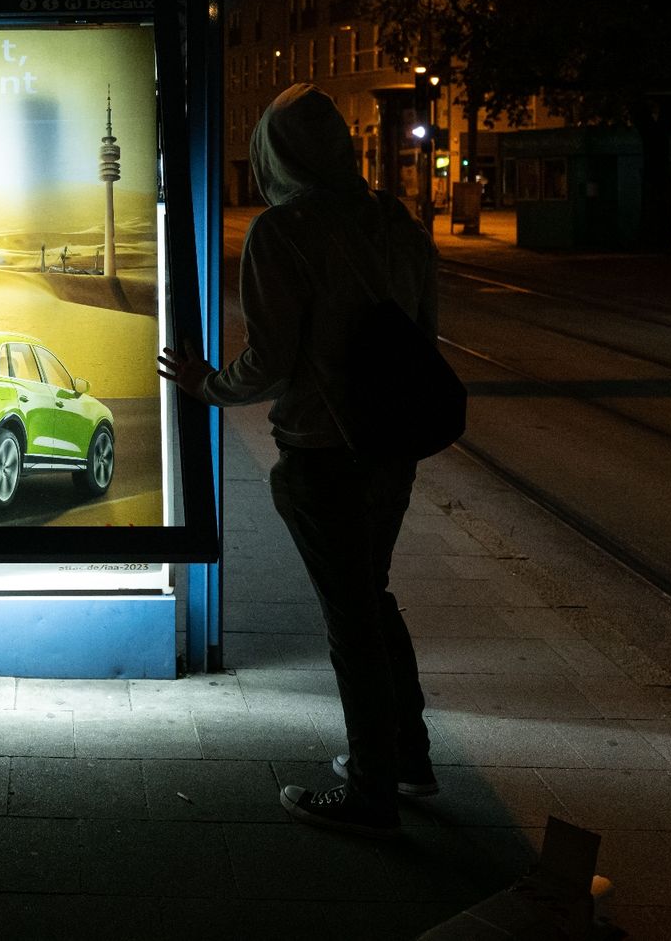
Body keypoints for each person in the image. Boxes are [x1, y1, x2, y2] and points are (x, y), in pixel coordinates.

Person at [159, 83, 438, 840]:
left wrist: (208, 385)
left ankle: (372, 791)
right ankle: (408, 755)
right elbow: (423, 339)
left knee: (351, 617)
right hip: (392, 447)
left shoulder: (283, 231)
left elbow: (271, 361)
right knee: (372, 595)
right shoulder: (398, 223)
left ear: (273, 156)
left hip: (322, 452)